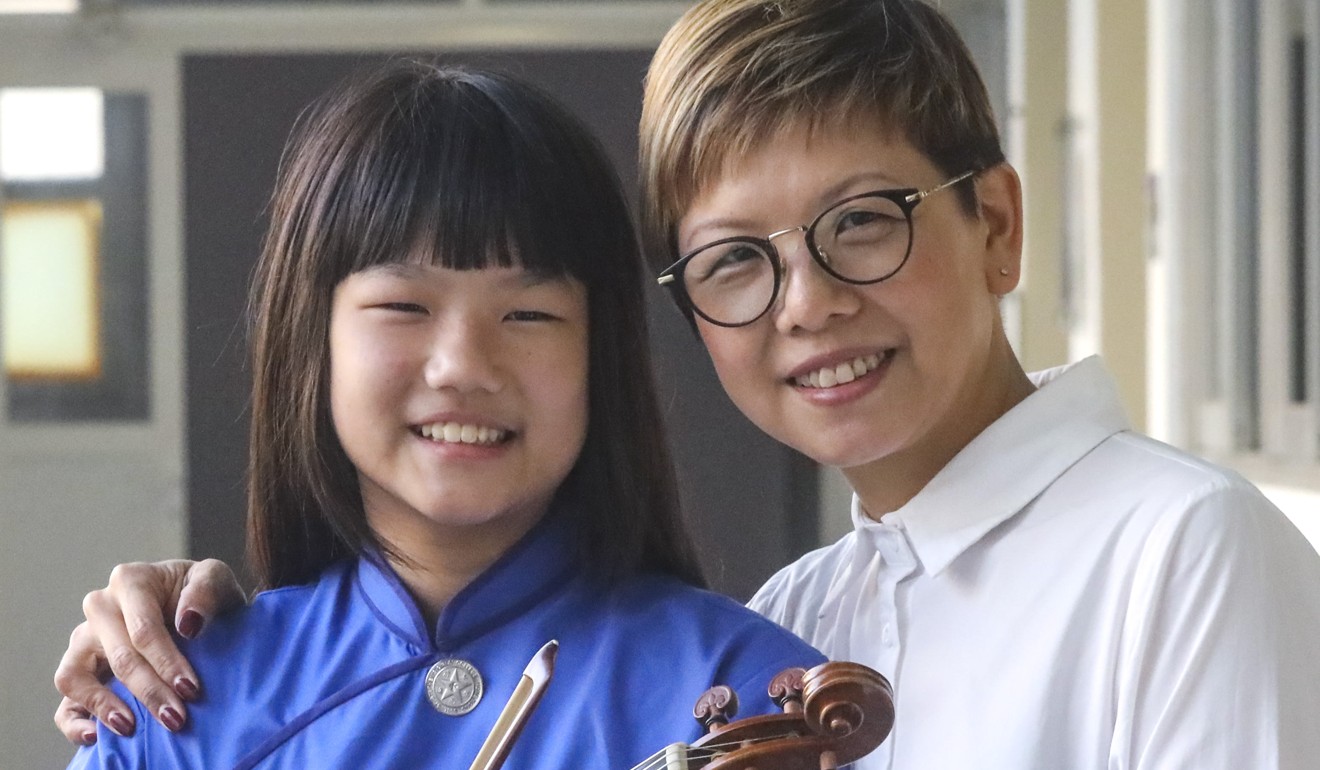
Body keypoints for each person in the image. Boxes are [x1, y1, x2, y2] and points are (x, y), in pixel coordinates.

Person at [55, 0, 1320, 767]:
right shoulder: (801, 613)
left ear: (997, 224)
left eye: (862, 222)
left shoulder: (1183, 545)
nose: (807, 302)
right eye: (735, 261)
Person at [59, 59, 828, 770]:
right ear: (313, 341)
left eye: (528, 314)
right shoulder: (176, 705)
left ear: (602, 356)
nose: (463, 365)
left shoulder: (749, 694)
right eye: (404, 306)